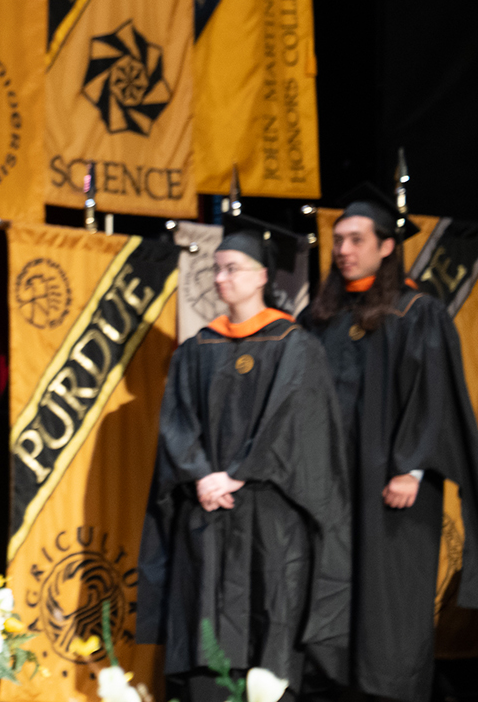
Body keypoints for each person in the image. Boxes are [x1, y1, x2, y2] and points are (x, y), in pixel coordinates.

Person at [137, 221, 350, 701]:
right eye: (215, 269)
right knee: (204, 637)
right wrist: (202, 475)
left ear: (260, 277)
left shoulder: (295, 346)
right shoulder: (196, 350)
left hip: (269, 521)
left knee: (267, 636)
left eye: (231, 269)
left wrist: (236, 474)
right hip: (208, 515)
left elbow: (295, 423)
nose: (219, 279)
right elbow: (177, 423)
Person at [299, 188, 478, 702]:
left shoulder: (417, 312)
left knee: (388, 600)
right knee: (334, 587)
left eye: (356, 239)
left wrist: (412, 468)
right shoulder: (322, 319)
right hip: (334, 485)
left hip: (394, 489)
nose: (343, 249)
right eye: (337, 240)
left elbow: (433, 394)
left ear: (386, 247)